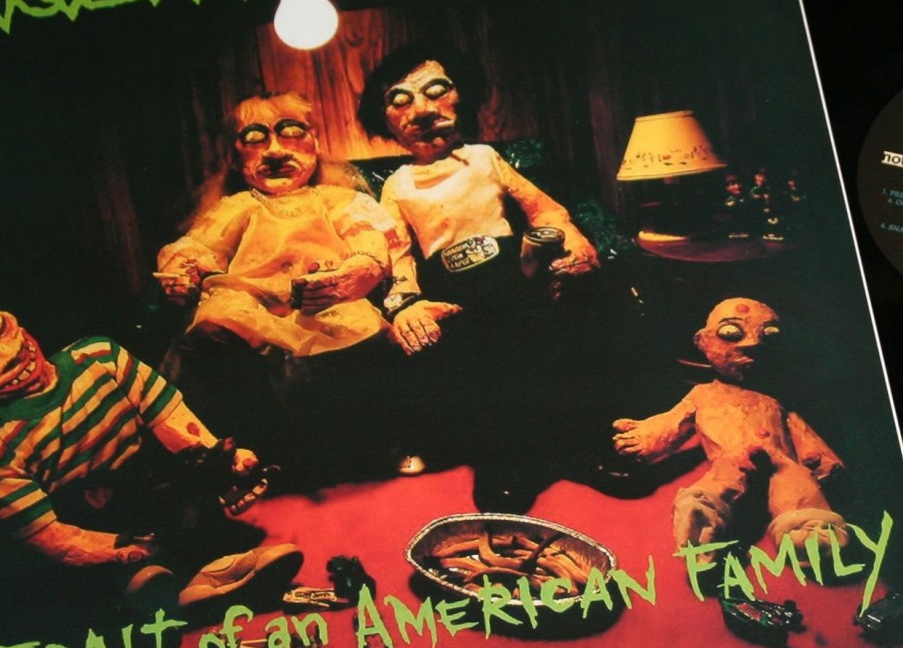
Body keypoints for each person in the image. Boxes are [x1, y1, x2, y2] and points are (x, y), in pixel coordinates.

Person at [0, 298, 302, 615]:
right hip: (95, 523)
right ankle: (157, 589)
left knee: (187, 505)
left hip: (152, 488)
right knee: (127, 575)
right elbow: (50, 536)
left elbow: (170, 419)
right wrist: (122, 550)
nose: (5, 355)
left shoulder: (99, 357)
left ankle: (213, 569)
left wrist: (220, 461)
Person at [356, 43, 598, 354]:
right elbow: (397, 253)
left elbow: (544, 211)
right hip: (450, 294)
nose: (422, 111)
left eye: (436, 91)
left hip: (515, 280)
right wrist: (406, 305)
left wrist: (575, 243)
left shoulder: (485, 158)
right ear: (385, 119)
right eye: (400, 101)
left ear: (462, 97)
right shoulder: (397, 185)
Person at [156, 91, 391, 358]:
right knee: (224, 315)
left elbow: (368, 241)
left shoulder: (336, 200)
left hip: (321, 305)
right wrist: (182, 271)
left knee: (357, 323)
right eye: (254, 138)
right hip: (248, 307)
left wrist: (351, 274)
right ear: (235, 158)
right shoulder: (236, 206)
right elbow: (197, 246)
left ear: (315, 143)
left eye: (292, 132)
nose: (275, 152)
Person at [612, 297, 851, 559]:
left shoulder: (776, 400)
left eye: (768, 335)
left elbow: (799, 428)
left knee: (796, 483)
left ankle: (811, 537)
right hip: (732, 458)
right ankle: (700, 527)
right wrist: (646, 435)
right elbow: (673, 421)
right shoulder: (703, 394)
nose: (753, 343)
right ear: (703, 342)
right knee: (721, 482)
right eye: (731, 333)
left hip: (780, 460)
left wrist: (820, 458)